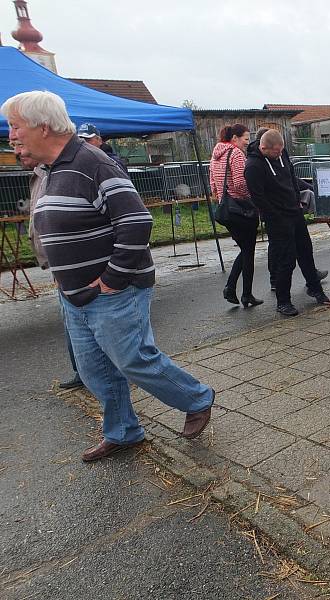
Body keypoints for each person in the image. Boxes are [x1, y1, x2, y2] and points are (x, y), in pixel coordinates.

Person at [2, 91, 215, 462]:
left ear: (45, 126)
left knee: (133, 359)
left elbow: (136, 222)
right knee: (94, 369)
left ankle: (197, 398)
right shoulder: (49, 170)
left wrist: (112, 280)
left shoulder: (92, 162)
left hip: (113, 291)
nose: (11, 136)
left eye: (16, 127)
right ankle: (123, 432)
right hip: (73, 293)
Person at [14, 145, 84, 390]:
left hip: (71, 264)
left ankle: (95, 373)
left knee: (83, 323)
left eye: (21, 145)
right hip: (58, 265)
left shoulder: (60, 171)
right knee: (72, 323)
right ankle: (84, 372)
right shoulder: (39, 173)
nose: (17, 152)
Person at [245, 129, 329, 316]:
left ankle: (315, 289)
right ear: (264, 147)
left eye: (280, 151)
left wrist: (297, 200)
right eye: (275, 152)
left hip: (295, 212)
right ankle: (283, 301)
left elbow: (291, 176)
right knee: (286, 260)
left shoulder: (282, 153)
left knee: (306, 252)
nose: (278, 155)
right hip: (276, 219)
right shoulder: (253, 166)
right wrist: (275, 216)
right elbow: (258, 198)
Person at [209, 124, 263, 307]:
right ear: (234, 138)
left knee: (245, 250)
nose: (247, 143)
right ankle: (243, 293)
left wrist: (221, 198)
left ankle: (233, 288)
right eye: (246, 139)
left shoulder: (216, 154)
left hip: (226, 209)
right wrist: (253, 197)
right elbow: (240, 183)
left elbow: (213, 184)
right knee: (248, 252)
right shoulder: (236, 154)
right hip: (241, 209)